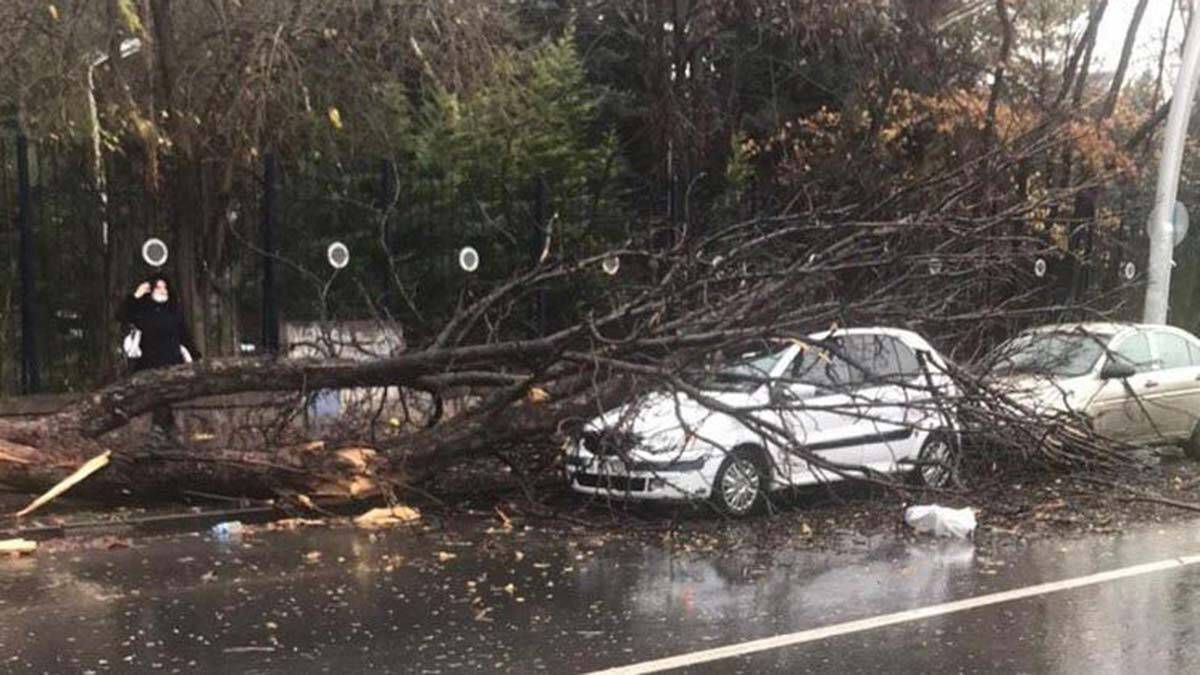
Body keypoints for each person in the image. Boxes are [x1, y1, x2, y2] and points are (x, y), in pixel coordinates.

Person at [116, 274, 201, 439]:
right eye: (158, 287)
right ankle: (163, 431)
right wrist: (136, 295)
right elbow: (121, 316)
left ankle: (163, 431)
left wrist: (196, 357)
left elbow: (184, 335)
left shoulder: (173, 310)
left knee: (165, 398)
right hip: (149, 363)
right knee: (158, 397)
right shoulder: (143, 310)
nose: (162, 291)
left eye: (165, 287)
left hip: (171, 361)